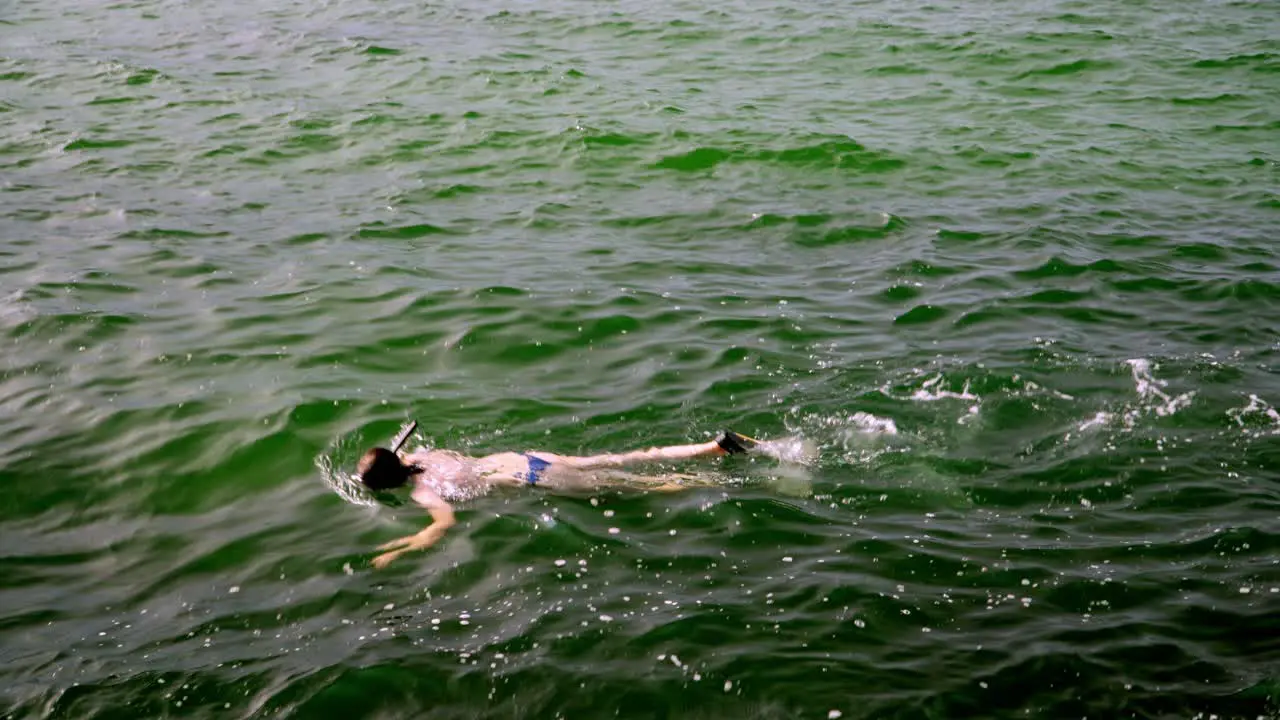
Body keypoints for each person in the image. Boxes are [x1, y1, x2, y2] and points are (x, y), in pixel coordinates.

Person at [357, 429, 759, 568]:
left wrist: (399, 549)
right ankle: (713, 447)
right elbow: (407, 460)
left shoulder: (425, 492)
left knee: (643, 486)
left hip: (539, 482)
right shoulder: (425, 456)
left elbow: (443, 525)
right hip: (527, 459)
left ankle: (729, 482)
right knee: (630, 458)